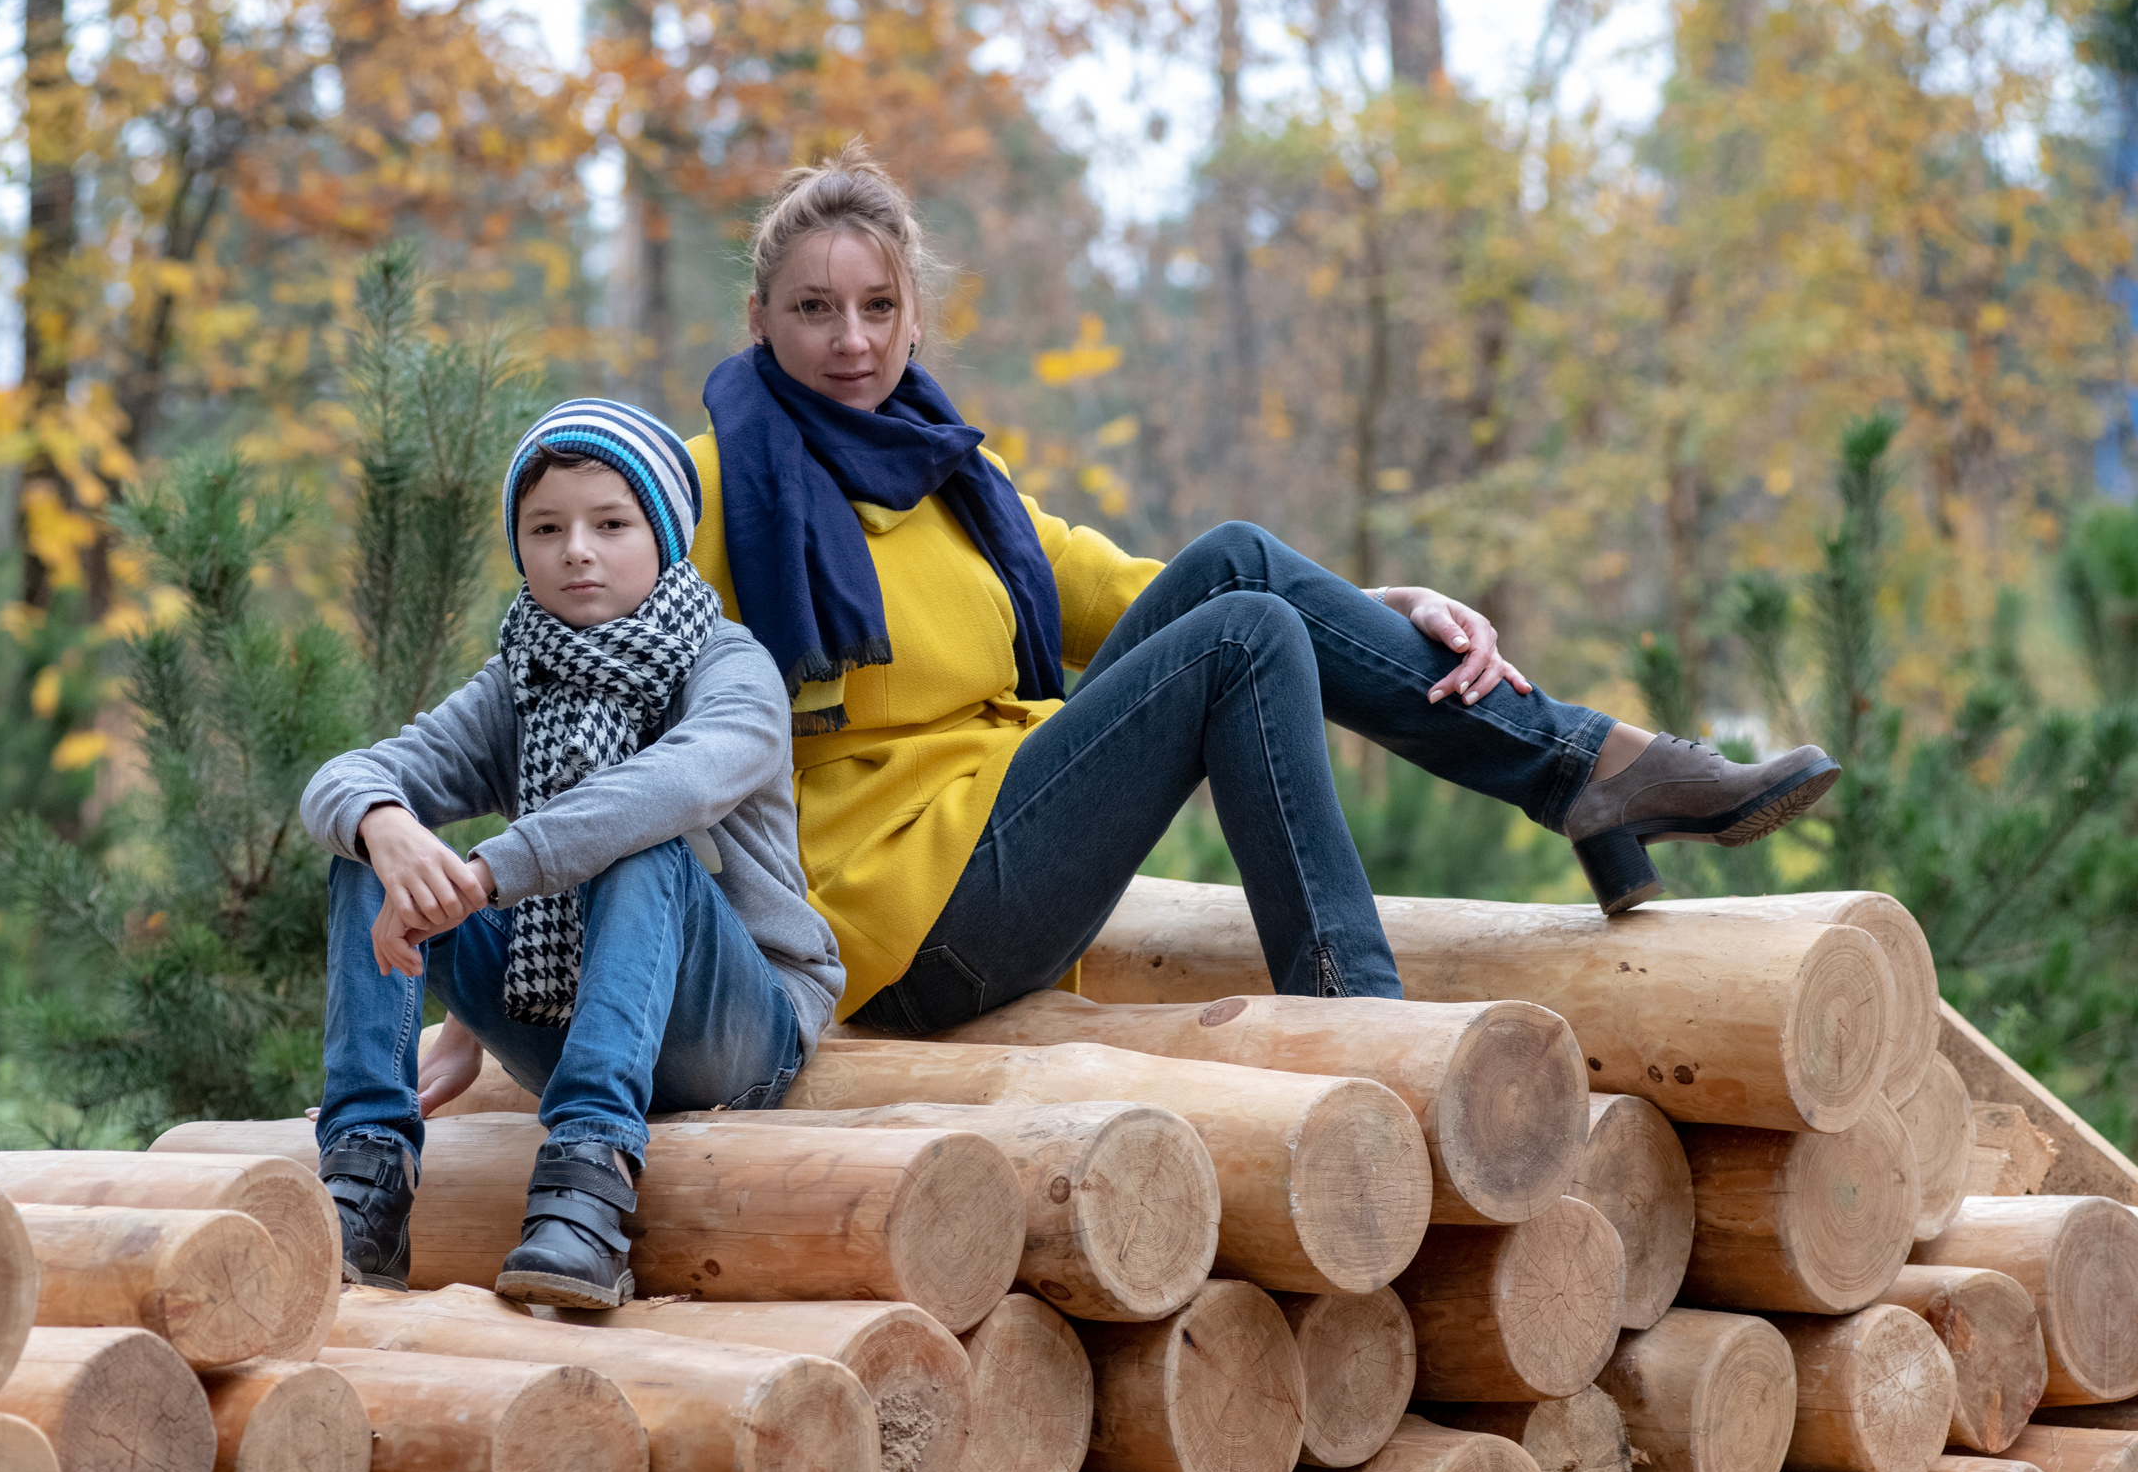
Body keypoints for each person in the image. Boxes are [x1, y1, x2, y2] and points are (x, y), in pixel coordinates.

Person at [685, 141, 1838, 1034]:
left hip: (1009, 838)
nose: (851, 341)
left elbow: (1127, 591)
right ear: (758, 320)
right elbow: (606, 698)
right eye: (813, 309)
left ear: (914, 316)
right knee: (1240, 631)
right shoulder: (708, 490)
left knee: (1239, 567)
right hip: (889, 932)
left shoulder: (953, 474)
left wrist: (1378, 608)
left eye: (877, 307)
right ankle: (1380, 979)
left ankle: (1575, 778)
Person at [300, 400, 843, 1303]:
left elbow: (664, 790)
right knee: (367, 848)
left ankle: (587, 1191)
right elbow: (344, 777)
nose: (576, 549)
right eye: (545, 527)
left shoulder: (732, 669)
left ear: (665, 537)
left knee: (641, 847)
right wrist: (383, 824)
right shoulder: (520, 679)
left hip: (734, 1027)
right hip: (559, 1014)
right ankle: (366, 1180)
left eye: (610, 523)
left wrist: (487, 872)